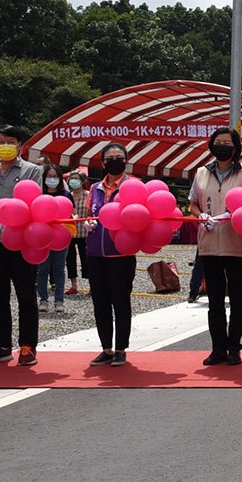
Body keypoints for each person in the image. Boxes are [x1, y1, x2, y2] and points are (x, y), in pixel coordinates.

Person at [0, 126, 44, 365]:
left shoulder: (32, 171)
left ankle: (27, 346)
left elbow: (36, 202)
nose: (5, 145)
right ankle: (1, 345)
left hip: (22, 241)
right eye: (0, 142)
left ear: (20, 145)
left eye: (10, 141)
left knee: (26, 294)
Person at [190, 127, 242, 365]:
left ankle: (234, 347)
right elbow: (193, 204)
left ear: (236, 148)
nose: (222, 146)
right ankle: (218, 348)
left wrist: (233, 215)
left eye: (227, 143)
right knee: (214, 300)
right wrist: (201, 217)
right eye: (218, 142)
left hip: (236, 244)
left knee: (237, 299)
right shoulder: (200, 173)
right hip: (209, 245)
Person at [84, 143, 137, 366]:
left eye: (119, 157)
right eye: (110, 158)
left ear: (126, 160)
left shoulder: (133, 187)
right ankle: (105, 348)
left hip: (121, 254)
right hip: (95, 253)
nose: (114, 161)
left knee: (121, 301)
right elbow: (89, 213)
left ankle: (120, 348)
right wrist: (87, 223)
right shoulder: (95, 188)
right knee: (100, 302)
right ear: (103, 162)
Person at [36, 163, 70, 314]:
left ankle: (59, 301)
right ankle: (43, 299)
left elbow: (71, 214)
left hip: (60, 237)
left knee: (59, 270)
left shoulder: (66, 195)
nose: (52, 179)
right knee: (42, 269)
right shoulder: (39, 194)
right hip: (41, 236)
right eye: (49, 176)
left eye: (55, 176)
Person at [64, 169, 89, 295]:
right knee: (70, 259)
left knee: (87, 259)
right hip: (70, 233)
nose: (73, 181)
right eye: (71, 178)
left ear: (83, 181)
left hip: (85, 233)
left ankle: (91, 284)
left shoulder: (88, 195)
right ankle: (73, 285)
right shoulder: (68, 195)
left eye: (76, 179)